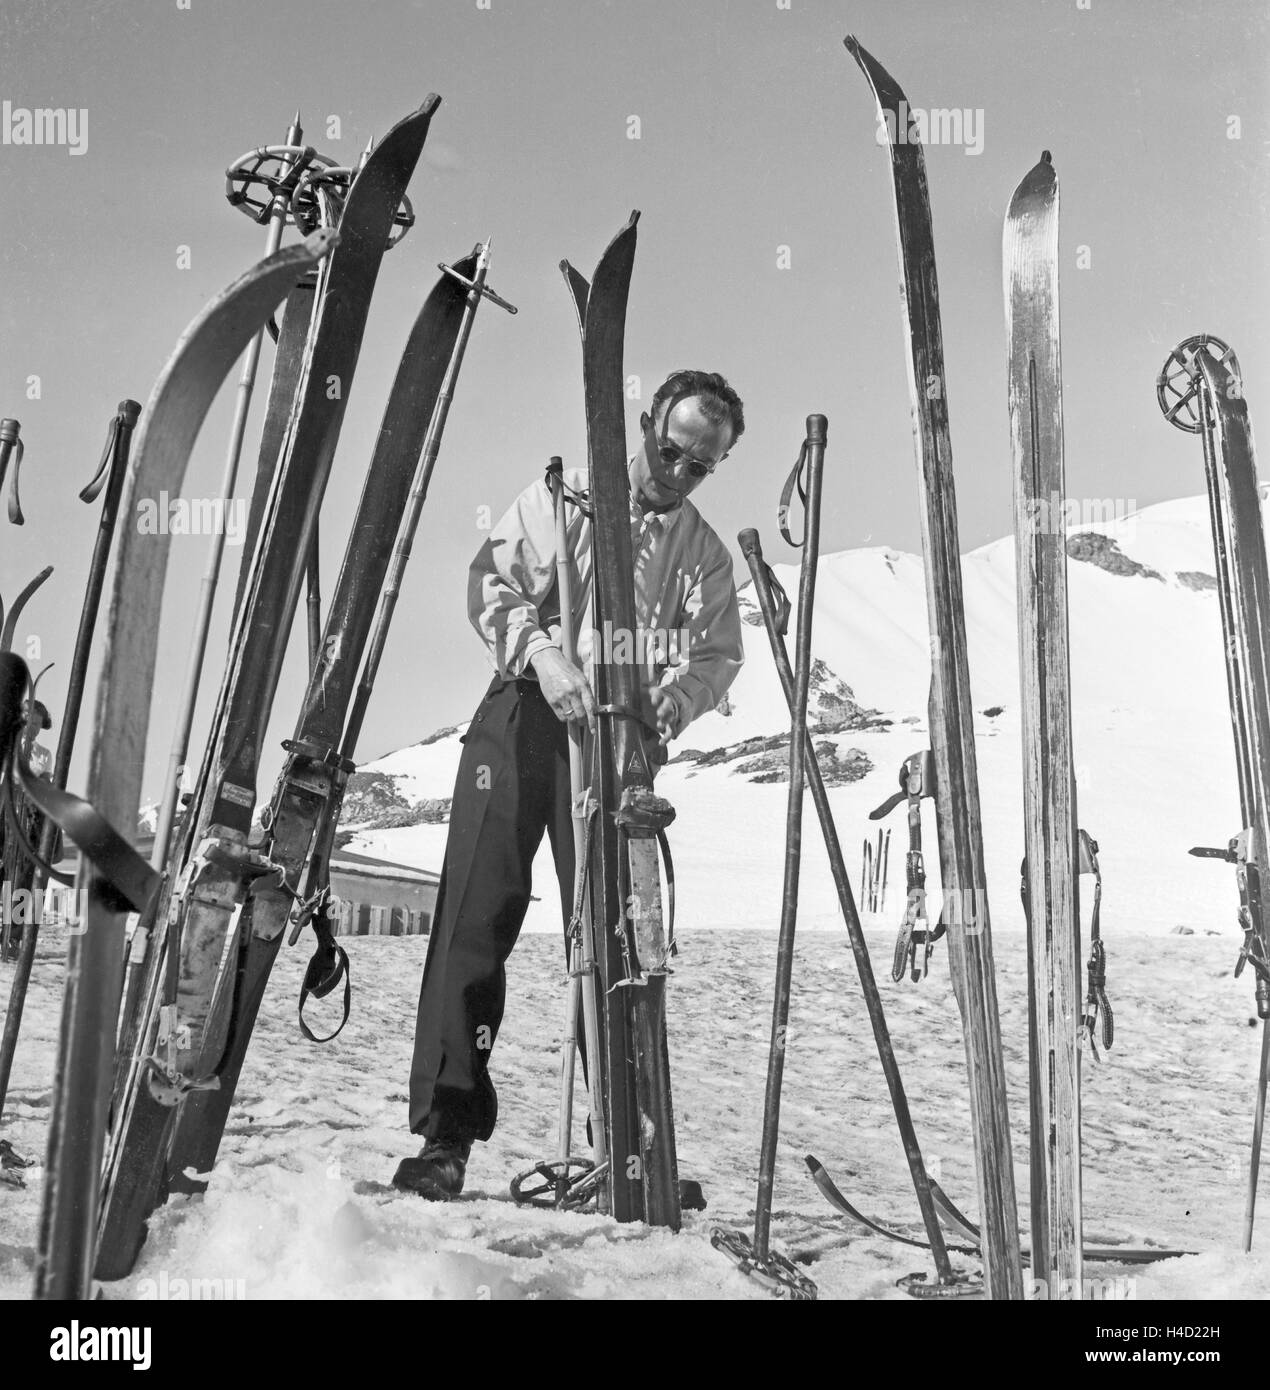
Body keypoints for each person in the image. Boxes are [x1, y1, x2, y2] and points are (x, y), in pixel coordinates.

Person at [394, 369, 747, 1200]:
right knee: (477, 921)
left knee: (619, 938)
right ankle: (446, 1136)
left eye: (701, 465)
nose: (678, 472)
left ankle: (629, 1140)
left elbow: (717, 654)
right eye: (671, 449)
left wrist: (670, 704)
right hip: (526, 715)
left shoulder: (702, 550)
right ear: (647, 421)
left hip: (619, 738)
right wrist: (545, 655)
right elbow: (492, 581)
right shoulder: (563, 496)